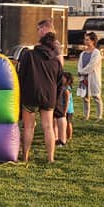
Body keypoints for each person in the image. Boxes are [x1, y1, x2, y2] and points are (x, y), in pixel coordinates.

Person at [16, 32, 63, 162]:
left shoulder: (28, 55)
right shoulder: (55, 61)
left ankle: (25, 157)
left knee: (28, 126)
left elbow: (20, 74)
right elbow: (60, 82)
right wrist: (56, 98)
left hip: (30, 95)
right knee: (48, 127)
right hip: (49, 96)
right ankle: (50, 158)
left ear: (40, 42)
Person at [77, 31, 103, 120]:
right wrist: (80, 72)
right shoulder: (83, 53)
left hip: (93, 78)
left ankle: (99, 116)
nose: (86, 41)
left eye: (87, 40)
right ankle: (86, 116)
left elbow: (92, 65)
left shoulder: (96, 53)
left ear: (93, 41)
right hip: (84, 78)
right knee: (85, 97)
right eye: (85, 39)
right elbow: (79, 64)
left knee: (96, 97)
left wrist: (82, 72)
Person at [55, 72, 74, 146]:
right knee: (65, 122)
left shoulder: (66, 89)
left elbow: (67, 102)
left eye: (63, 77)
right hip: (63, 108)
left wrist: (65, 111)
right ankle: (65, 135)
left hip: (68, 109)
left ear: (68, 80)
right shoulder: (62, 87)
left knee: (68, 123)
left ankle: (69, 136)